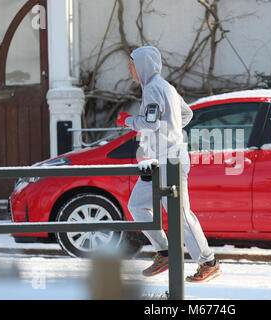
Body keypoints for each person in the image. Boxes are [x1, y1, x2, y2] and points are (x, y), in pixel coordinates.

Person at [116, 46, 221, 283]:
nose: (129, 68)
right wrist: (170, 130)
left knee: (180, 215)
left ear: (142, 65)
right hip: (159, 161)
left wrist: (127, 120)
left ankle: (208, 262)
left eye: (132, 63)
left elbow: (151, 123)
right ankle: (165, 252)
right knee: (137, 206)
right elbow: (187, 115)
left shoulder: (153, 88)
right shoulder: (167, 87)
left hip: (170, 162)